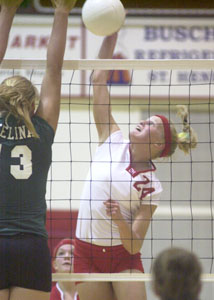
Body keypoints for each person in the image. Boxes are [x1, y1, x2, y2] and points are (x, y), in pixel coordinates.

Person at [73, 32, 198, 300]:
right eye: (148, 119)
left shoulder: (153, 186)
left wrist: (118, 218)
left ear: (157, 145)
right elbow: (98, 79)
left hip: (122, 258)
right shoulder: (112, 138)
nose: (145, 122)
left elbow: (133, 245)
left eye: (152, 124)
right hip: (85, 251)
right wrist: (111, 34)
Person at [0, 0, 77, 299]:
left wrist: (7, 10)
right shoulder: (42, 129)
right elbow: (53, 70)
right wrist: (62, 11)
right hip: (31, 248)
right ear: (33, 105)